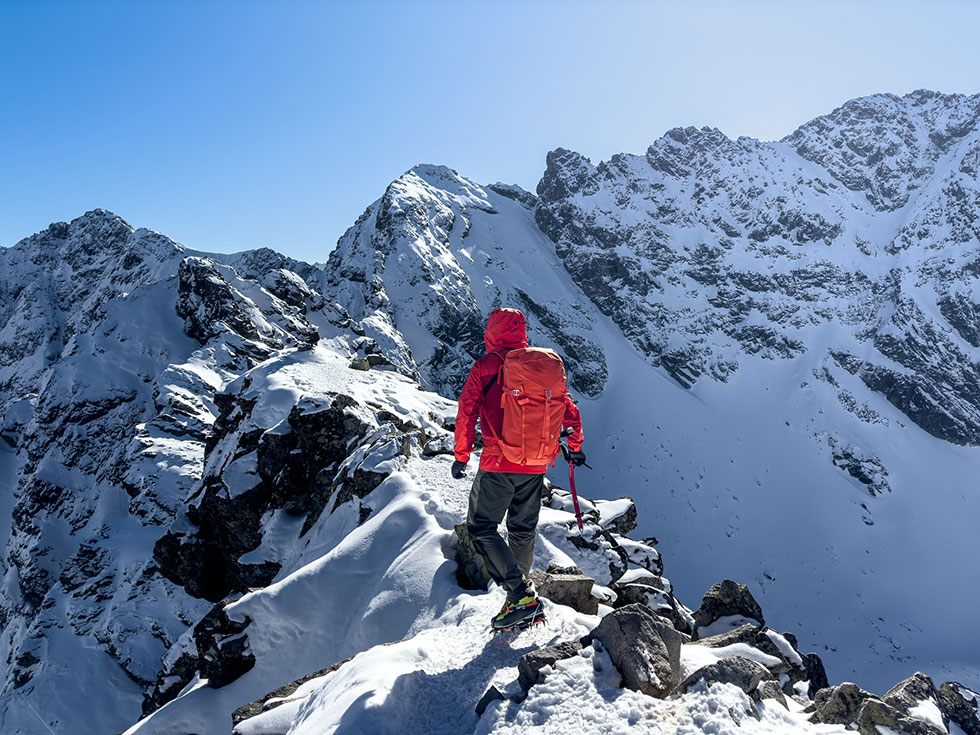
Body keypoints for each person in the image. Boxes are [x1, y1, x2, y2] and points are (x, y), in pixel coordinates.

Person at [452, 307, 586, 629]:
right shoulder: (540, 369)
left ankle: (521, 595)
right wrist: (577, 447)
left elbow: (466, 412)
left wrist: (461, 455)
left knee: (481, 528)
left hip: (499, 464)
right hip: (537, 465)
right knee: (522, 532)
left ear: (491, 333)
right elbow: (569, 411)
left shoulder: (485, 367)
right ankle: (519, 600)